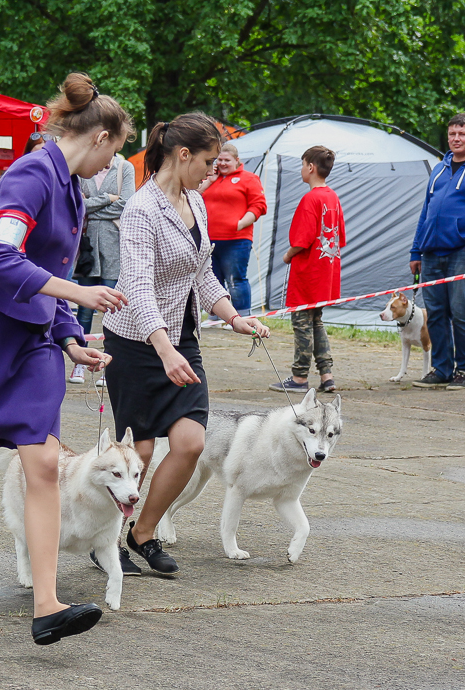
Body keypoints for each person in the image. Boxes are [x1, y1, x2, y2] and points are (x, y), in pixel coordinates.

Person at [0, 74, 131, 645]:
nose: (111, 166)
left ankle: (46, 605)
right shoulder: (31, 174)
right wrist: (80, 297)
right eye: (114, 153)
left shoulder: (73, 191)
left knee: (42, 465)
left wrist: (70, 338)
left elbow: (54, 278)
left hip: (36, 343)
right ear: (100, 138)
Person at [101, 112, 270, 576]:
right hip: (137, 343)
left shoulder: (195, 200)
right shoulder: (141, 209)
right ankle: (107, 541)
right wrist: (163, 348)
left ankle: (143, 533)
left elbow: (202, 275)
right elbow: (136, 285)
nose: (215, 169)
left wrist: (234, 316)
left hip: (182, 338)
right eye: (210, 160)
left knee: (191, 443)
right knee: (139, 454)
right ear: (183, 154)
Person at [269, 145, 345, 394]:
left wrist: (288, 255)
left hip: (308, 274)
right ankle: (327, 375)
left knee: (302, 323)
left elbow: (301, 241)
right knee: (316, 322)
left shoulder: (310, 199)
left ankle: (300, 377)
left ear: (310, 168)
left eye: (303, 165)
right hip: (327, 273)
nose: (302, 169)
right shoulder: (332, 197)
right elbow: (339, 238)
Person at [409, 112, 465, 390]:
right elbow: (425, 212)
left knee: (461, 311)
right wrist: (415, 252)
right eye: (453, 134)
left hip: (460, 252)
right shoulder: (438, 170)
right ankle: (441, 369)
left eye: (462, 134)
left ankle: (463, 370)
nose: (456, 139)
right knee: (436, 312)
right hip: (430, 252)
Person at [70, 152, 135, 385]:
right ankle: (81, 361)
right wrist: (108, 198)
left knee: (113, 308)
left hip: (114, 248)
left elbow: (126, 204)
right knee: (84, 308)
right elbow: (77, 205)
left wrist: (91, 206)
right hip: (87, 249)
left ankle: (109, 365)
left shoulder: (124, 167)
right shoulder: (84, 166)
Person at [198, 142, 266, 325]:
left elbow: (258, 205)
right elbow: (192, 196)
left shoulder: (249, 178)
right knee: (212, 279)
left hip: (236, 239)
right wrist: (208, 182)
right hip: (209, 239)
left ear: (237, 161)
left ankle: (243, 316)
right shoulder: (209, 178)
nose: (222, 164)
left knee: (235, 278)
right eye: (219, 160)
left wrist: (241, 223)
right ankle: (215, 317)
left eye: (226, 160)